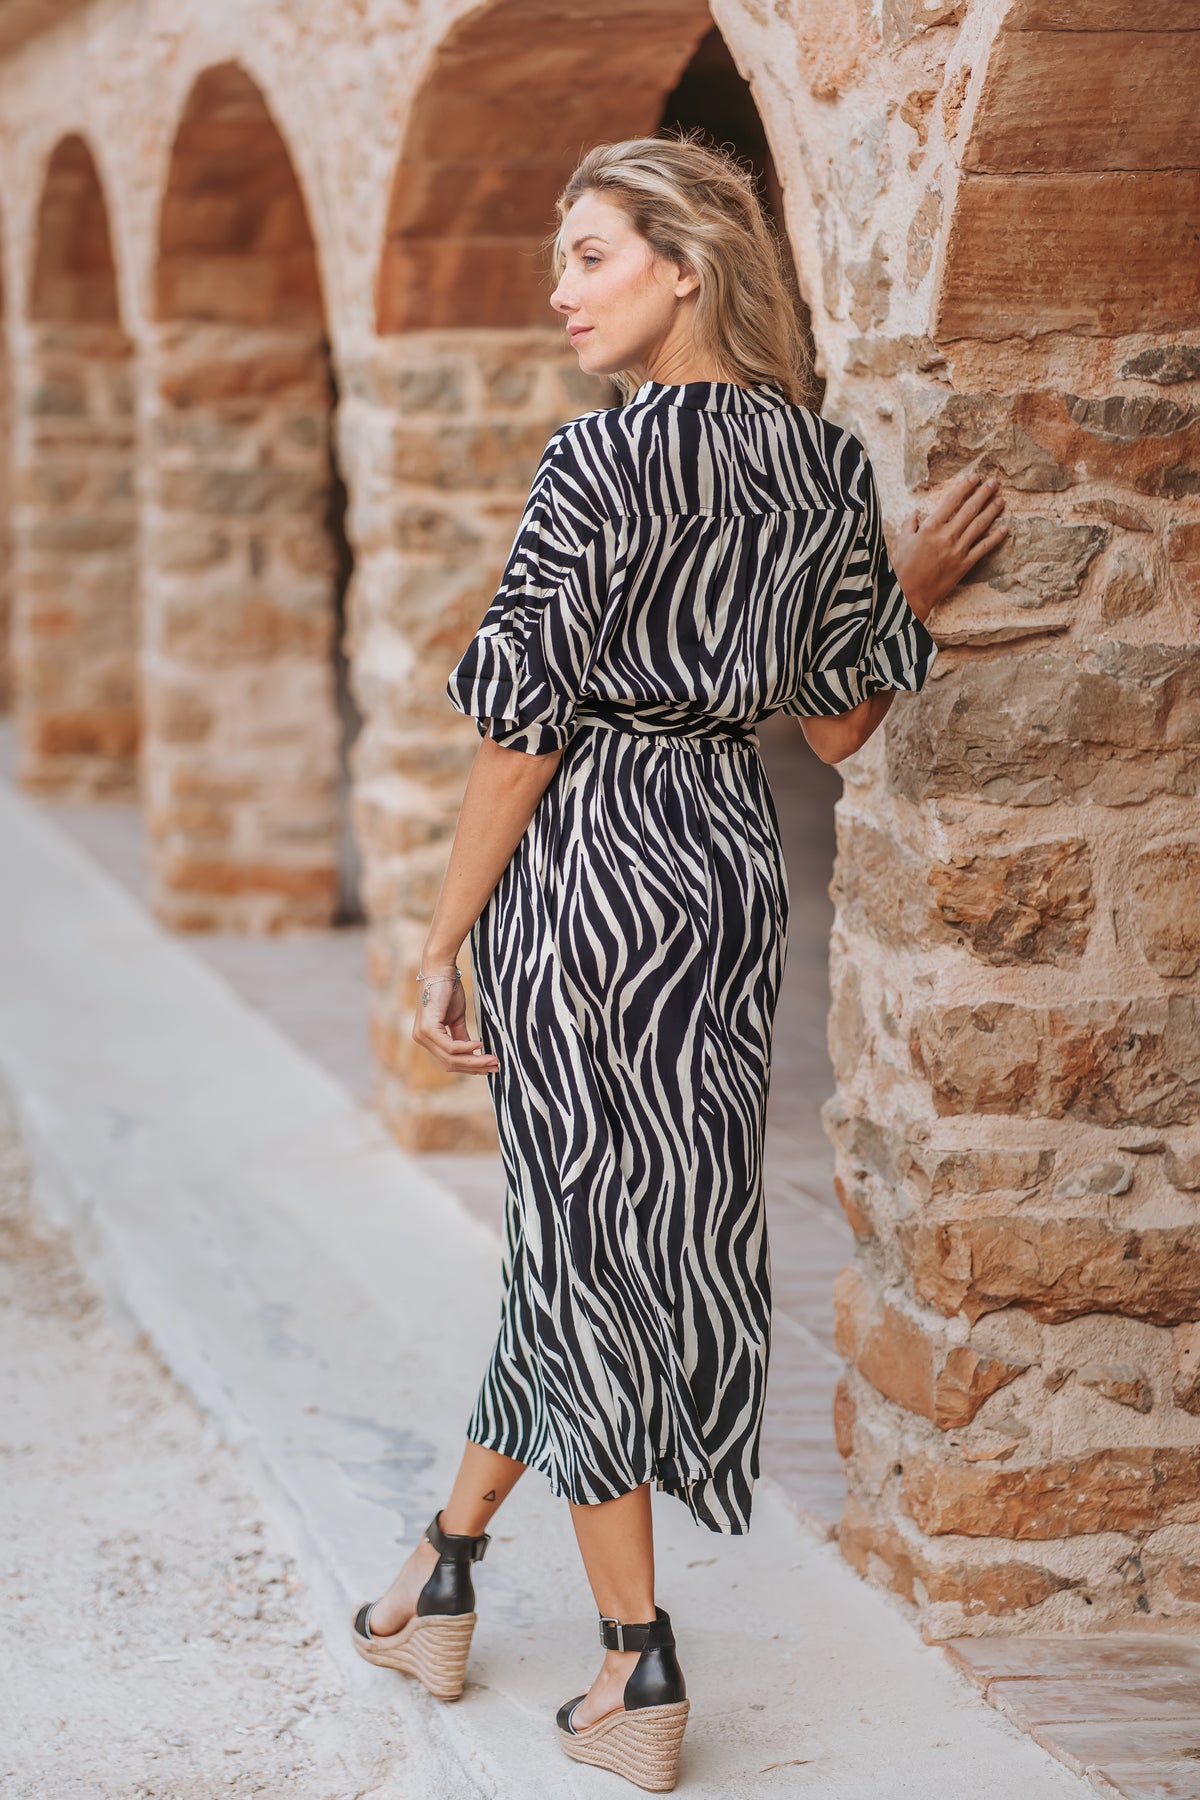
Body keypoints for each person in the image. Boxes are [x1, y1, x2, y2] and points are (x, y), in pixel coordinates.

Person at [352, 133, 1005, 1791]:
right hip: (721, 873)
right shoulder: (820, 463)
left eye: (589, 257)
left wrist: (440, 937)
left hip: (590, 871)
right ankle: (440, 1569)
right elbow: (839, 728)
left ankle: (636, 1663)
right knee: (611, 1230)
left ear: (686, 265)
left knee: (587, 1248)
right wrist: (907, 589)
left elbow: (521, 733)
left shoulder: (593, 462)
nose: (559, 292)